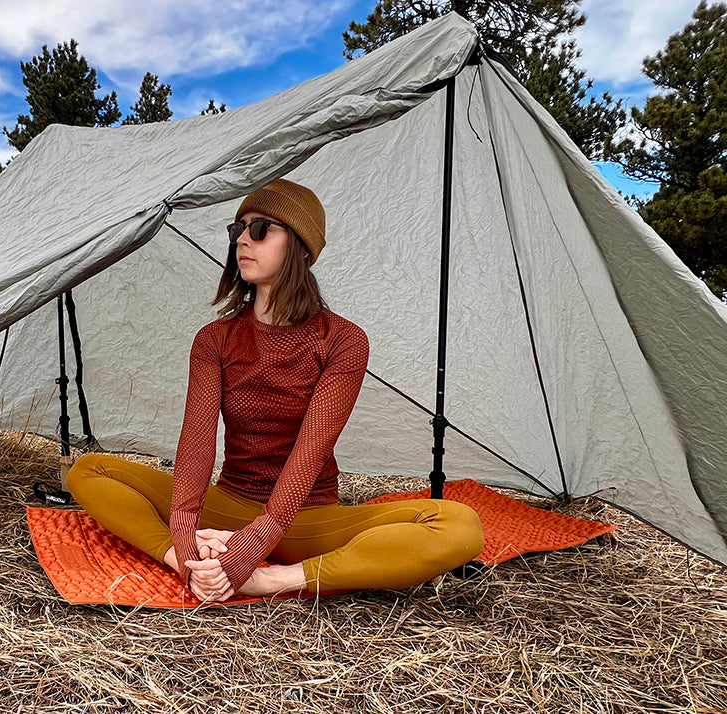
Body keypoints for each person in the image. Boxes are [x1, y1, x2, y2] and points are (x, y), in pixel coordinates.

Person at [67, 178, 484, 602]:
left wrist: (253, 557)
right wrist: (186, 545)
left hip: (306, 517)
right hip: (229, 501)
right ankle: (181, 560)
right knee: (89, 471)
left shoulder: (342, 340)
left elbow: (311, 450)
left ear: (301, 246)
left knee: (459, 525)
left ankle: (279, 581)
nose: (243, 239)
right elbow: (196, 444)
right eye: (238, 229)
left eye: (262, 228)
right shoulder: (215, 339)